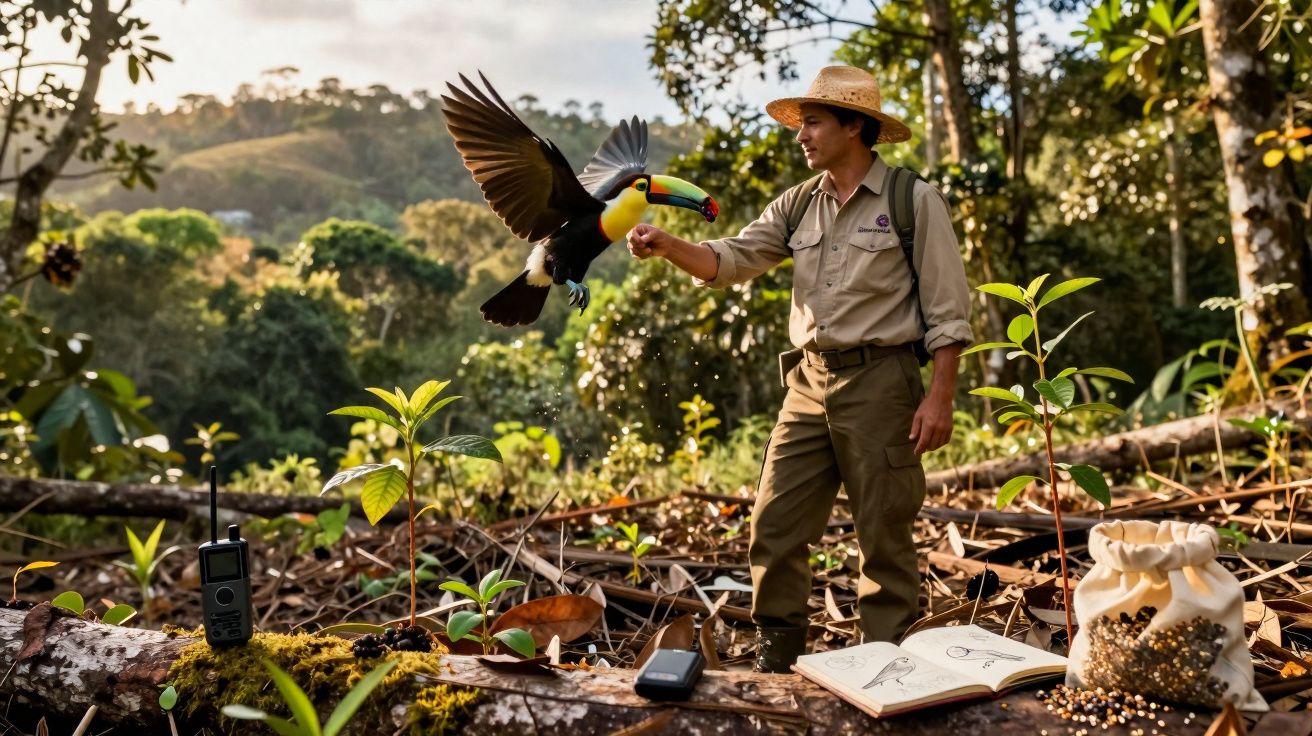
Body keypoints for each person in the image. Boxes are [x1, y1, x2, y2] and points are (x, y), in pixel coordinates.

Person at [626, 65, 973, 673]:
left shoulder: (912, 200)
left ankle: (885, 670)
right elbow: (733, 258)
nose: (801, 135)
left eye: (813, 122)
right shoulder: (798, 204)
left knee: (884, 536)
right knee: (775, 523)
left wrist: (939, 395)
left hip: (883, 383)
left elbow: (948, 309)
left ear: (854, 126)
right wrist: (668, 244)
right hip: (808, 384)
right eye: (802, 123)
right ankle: (776, 663)